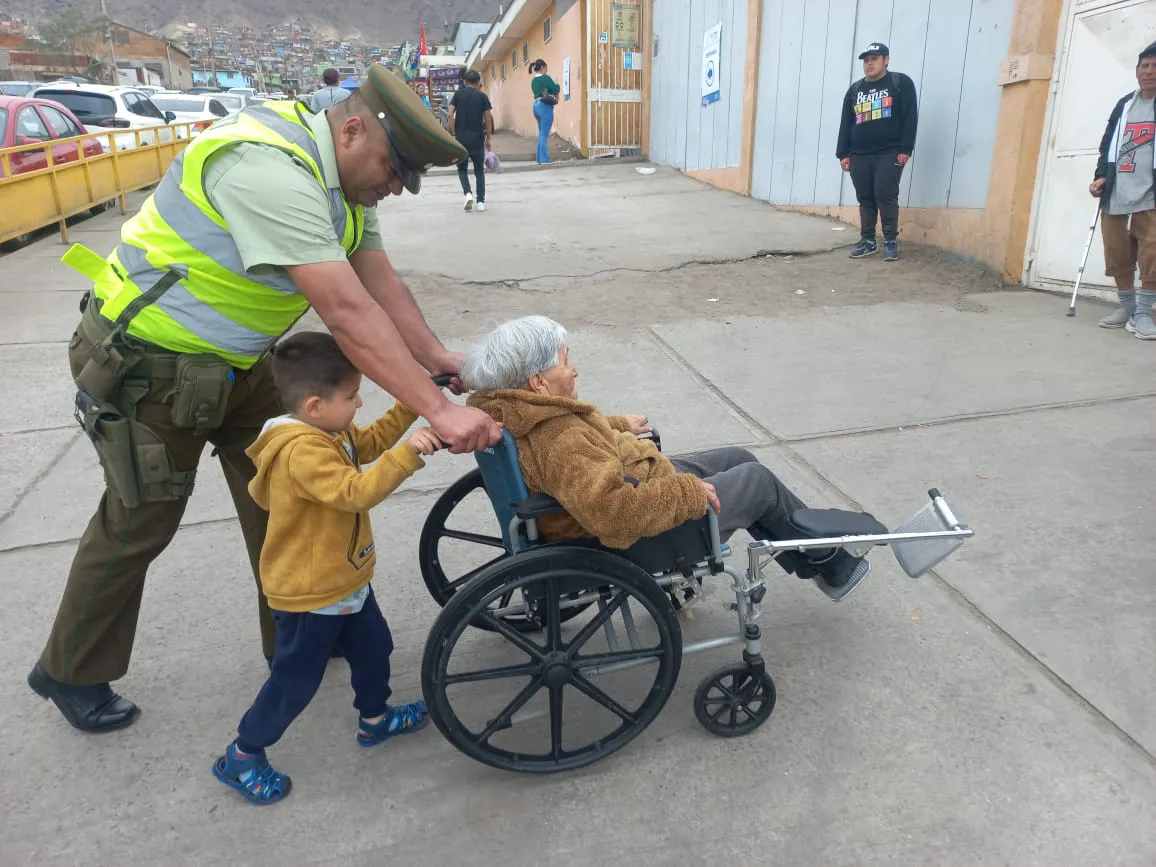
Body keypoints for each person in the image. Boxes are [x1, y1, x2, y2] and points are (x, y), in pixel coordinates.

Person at [27, 64, 502, 734]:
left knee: (291, 492)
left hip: (237, 363)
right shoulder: (266, 169)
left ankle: (299, 633)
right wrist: (439, 410)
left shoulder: (342, 184)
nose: (394, 186)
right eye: (394, 167)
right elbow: (344, 309)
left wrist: (438, 359)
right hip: (148, 366)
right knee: (140, 520)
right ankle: (69, 668)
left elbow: (379, 281)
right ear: (355, 127)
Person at [462, 316, 873, 601]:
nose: (575, 370)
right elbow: (611, 514)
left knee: (738, 456)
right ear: (538, 382)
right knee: (757, 482)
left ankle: (811, 557)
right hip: (637, 530)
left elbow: (577, 444)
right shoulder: (561, 438)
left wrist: (617, 424)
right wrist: (686, 495)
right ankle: (828, 562)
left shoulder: (523, 413)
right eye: (565, 362)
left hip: (637, 477)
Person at [212, 332, 439, 805]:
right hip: (312, 593)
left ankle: (375, 720)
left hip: (346, 580)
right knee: (295, 683)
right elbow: (355, 491)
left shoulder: (329, 432)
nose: (358, 404)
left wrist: (413, 402)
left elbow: (370, 441)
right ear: (315, 405)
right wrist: (411, 452)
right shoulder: (302, 452)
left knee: (377, 649)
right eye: (352, 396)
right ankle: (243, 753)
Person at [1091, 41, 1156, 340]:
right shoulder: (1124, 105)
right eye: (1145, 66)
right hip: (1117, 191)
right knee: (1117, 253)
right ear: (1136, 71)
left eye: (1155, 67)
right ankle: (1127, 308)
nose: (1150, 72)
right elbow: (1107, 144)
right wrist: (1101, 176)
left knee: (1153, 254)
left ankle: (1143, 313)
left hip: (1149, 194)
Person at [835, 42, 918, 262]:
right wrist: (843, 153)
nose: (869, 63)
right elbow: (846, 122)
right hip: (859, 154)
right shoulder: (855, 90)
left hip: (889, 152)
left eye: (874, 59)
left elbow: (910, 118)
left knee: (885, 194)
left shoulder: (900, 83)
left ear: (886, 60)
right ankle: (868, 241)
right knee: (865, 197)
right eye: (866, 60)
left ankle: (890, 241)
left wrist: (905, 148)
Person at [450, 70, 494, 212]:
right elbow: (488, 116)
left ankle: (467, 193)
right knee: (479, 171)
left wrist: (453, 132)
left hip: (461, 139)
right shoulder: (482, 96)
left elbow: (450, 113)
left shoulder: (458, 95)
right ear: (478, 82)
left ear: (465, 81)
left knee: (462, 169)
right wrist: (488, 137)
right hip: (477, 139)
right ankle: (480, 202)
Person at [529, 59, 560, 165]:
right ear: (542, 67)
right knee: (544, 135)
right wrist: (558, 84)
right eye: (546, 67)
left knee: (541, 133)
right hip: (545, 107)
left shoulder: (533, 81)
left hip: (536, 106)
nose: (546, 70)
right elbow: (555, 89)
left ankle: (539, 158)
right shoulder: (545, 78)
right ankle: (544, 159)